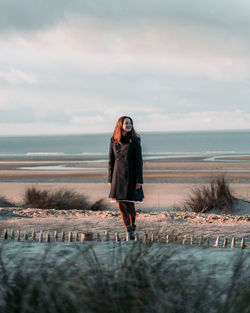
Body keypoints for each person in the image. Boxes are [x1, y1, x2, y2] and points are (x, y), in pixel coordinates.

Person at [108, 116, 144, 239]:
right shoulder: (114, 140)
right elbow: (111, 161)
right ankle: (129, 229)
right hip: (117, 176)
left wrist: (139, 180)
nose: (129, 125)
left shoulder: (135, 140)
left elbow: (139, 161)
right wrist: (109, 178)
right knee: (120, 204)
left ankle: (132, 225)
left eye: (130, 123)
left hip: (131, 176)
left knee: (129, 204)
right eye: (126, 123)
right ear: (120, 125)